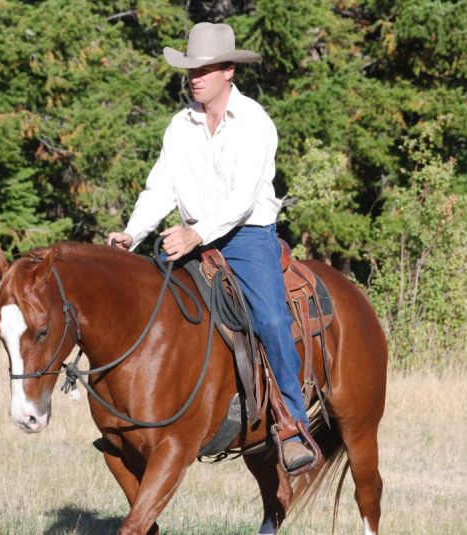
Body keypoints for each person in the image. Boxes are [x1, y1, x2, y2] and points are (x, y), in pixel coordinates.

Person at [108, 22, 314, 471]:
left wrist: (196, 235)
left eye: (204, 69)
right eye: (191, 69)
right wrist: (132, 233)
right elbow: (161, 188)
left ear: (228, 71)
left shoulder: (255, 122)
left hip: (246, 236)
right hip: (190, 235)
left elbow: (242, 200)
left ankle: (292, 424)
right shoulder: (180, 125)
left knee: (271, 319)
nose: (195, 77)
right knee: (147, 304)